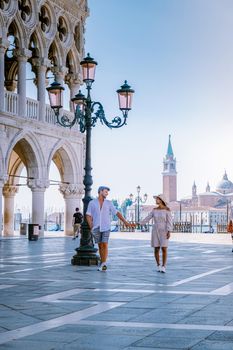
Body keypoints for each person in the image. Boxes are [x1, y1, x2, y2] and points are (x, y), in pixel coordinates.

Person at [86, 186, 133, 271]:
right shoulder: (92, 203)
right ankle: (102, 261)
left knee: (105, 244)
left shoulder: (109, 203)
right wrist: (91, 226)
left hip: (106, 227)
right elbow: (88, 215)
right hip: (96, 227)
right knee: (100, 245)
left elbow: (117, 213)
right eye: (106, 191)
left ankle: (104, 264)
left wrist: (125, 222)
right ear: (100, 191)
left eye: (107, 192)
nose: (107, 193)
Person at [140, 194, 172, 273]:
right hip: (155, 230)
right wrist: (139, 223)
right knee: (156, 248)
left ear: (161, 200)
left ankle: (164, 266)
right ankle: (158, 265)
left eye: (157, 199)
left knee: (164, 248)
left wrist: (169, 231)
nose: (156, 200)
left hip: (164, 230)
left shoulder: (167, 210)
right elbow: (148, 218)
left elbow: (169, 221)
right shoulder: (154, 210)